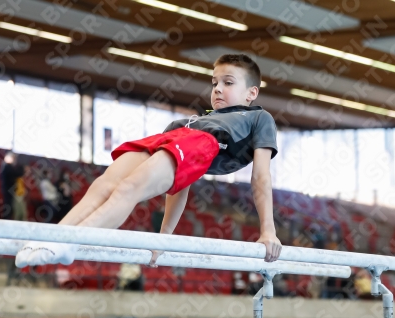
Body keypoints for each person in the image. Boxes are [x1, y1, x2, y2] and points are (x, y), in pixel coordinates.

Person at [15, 53, 282, 268]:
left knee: (129, 188)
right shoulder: (196, 118)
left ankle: (71, 243)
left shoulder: (259, 118)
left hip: (203, 143)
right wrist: (163, 238)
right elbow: (179, 183)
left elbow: (260, 176)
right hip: (176, 134)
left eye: (228, 82)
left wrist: (267, 231)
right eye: (214, 83)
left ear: (251, 93)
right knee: (103, 185)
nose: (218, 89)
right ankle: (54, 237)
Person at [0, 152, 25, 219]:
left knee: (9, 204)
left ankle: (8, 216)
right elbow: (16, 173)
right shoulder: (7, 166)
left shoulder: (6, 166)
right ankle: (7, 217)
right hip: (8, 188)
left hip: (9, 188)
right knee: (8, 203)